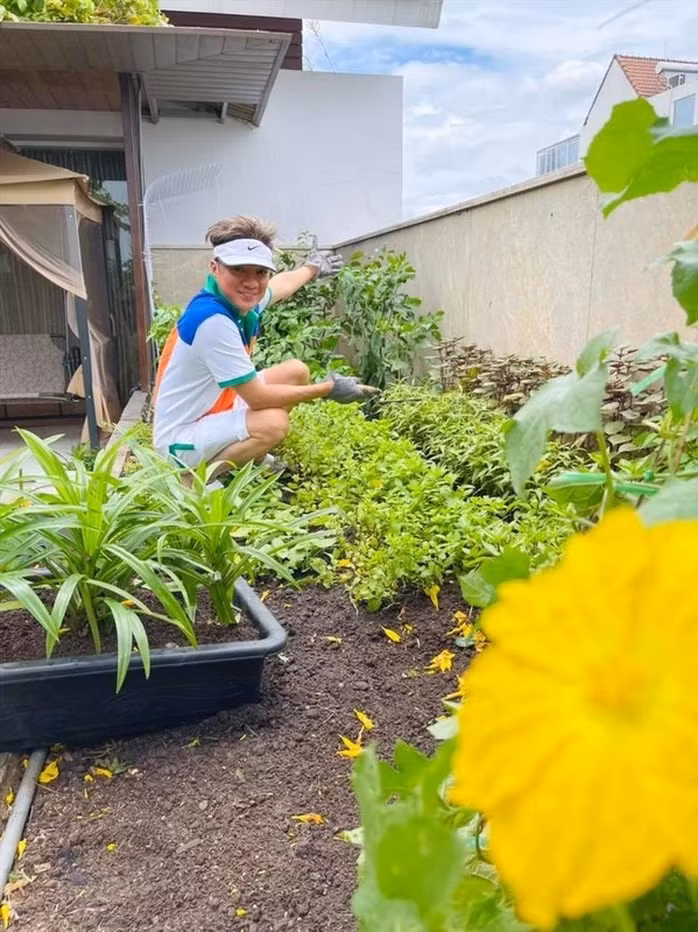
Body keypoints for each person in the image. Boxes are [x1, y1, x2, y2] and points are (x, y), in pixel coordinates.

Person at [152, 216, 375, 478]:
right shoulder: (213, 322)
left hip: (213, 407)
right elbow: (257, 398)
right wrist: (329, 389)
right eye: (239, 270)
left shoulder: (235, 300)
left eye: (260, 272)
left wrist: (312, 268)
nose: (251, 282)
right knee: (273, 424)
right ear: (215, 268)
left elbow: (281, 285)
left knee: (296, 372)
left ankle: (251, 457)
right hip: (180, 439)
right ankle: (194, 480)